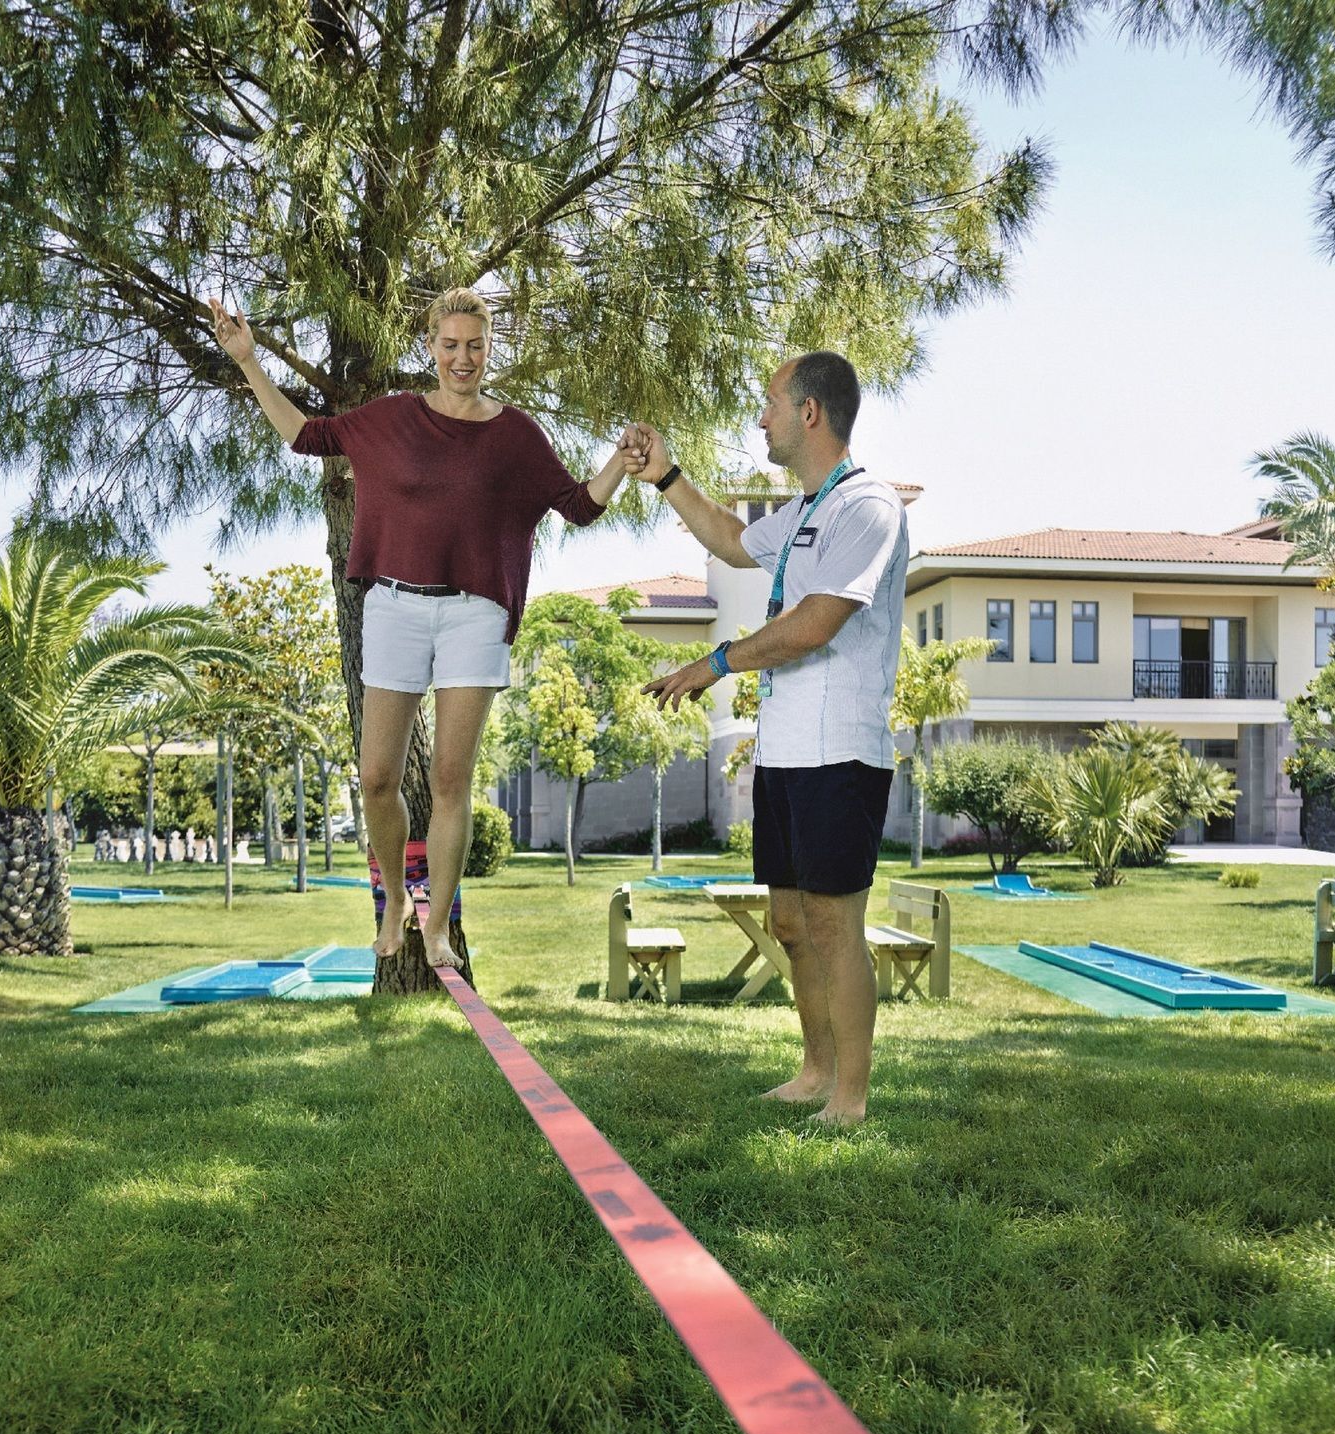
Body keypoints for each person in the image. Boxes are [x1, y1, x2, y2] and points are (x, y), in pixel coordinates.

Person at [211, 287, 638, 968]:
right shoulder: (390, 420)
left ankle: (437, 925)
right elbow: (304, 435)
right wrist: (248, 360)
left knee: (448, 777)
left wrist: (620, 461)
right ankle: (397, 902)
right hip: (394, 607)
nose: (462, 358)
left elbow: (577, 506)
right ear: (430, 347)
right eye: (449, 345)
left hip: (474, 611)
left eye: (474, 345)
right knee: (377, 777)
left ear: (489, 348)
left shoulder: (517, 434)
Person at [636, 352, 909, 1126]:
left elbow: (818, 622)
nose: (761, 418)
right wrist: (666, 476)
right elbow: (729, 538)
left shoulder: (868, 507)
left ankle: (851, 1097)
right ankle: (814, 1071)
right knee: (790, 923)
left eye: (769, 404)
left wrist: (714, 662)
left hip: (842, 752)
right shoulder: (805, 510)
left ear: (810, 412)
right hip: (785, 751)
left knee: (833, 923)